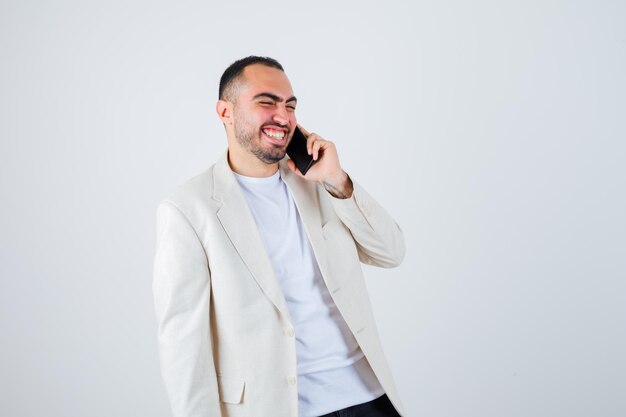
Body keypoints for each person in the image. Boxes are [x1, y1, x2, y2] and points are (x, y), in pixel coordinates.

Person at [152, 56, 406, 417]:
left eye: (290, 105)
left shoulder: (318, 182)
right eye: (266, 102)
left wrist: (338, 181)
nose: (283, 117)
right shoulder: (188, 209)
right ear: (225, 111)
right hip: (274, 406)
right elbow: (183, 347)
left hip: (368, 398)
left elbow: (391, 252)